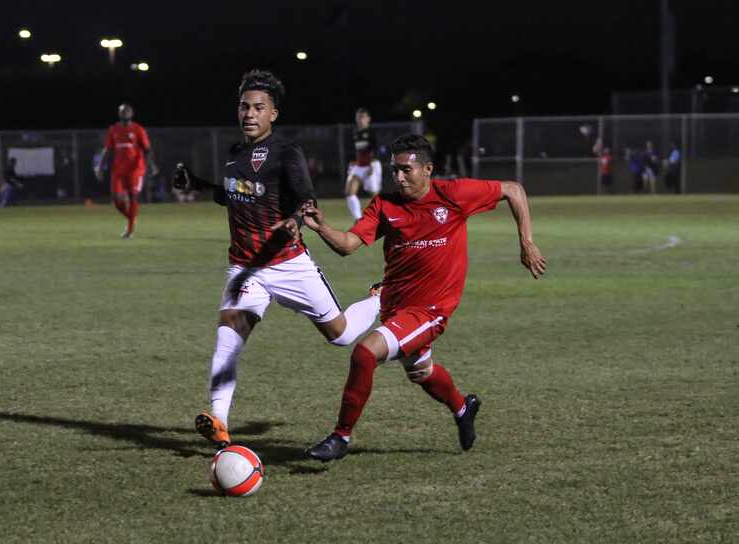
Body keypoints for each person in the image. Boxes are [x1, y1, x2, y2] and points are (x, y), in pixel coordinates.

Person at [302, 134, 546, 462]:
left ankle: (340, 437)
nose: (399, 177)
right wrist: (322, 228)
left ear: (427, 169)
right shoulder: (385, 205)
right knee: (422, 372)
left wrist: (526, 241)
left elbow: (513, 190)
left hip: (431, 311)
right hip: (395, 307)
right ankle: (463, 409)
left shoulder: (454, 194)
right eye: (394, 171)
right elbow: (347, 245)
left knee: (364, 353)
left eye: (406, 170)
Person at [172, 69, 382, 449]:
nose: (249, 114)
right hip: (246, 267)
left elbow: (307, 197)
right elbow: (234, 194)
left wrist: (297, 218)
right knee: (227, 339)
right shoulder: (235, 154)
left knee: (342, 335)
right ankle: (218, 420)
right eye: (243, 107)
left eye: (258, 107)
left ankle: (378, 299)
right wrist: (198, 184)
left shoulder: (287, 152)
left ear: (273, 114)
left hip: (288, 263)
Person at [94, 103, 159, 238]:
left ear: (131, 114)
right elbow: (107, 150)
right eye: (122, 112)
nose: (125, 114)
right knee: (116, 200)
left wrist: (152, 165)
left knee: (133, 196)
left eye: (127, 111)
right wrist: (100, 167)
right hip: (118, 170)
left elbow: (147, 150)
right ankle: (131, 218)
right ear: (119, 114)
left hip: (135, 168)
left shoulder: (138, 129)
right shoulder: (113, 130)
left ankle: (129, 230)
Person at [344, 108, 382, 220]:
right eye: (359, 117)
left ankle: (381, 218)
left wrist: (372, 163)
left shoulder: (371, 132)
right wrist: (353, 161)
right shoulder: (355, 132)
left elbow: (377, 149)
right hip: (359, 165)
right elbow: (358, 150)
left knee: (374, 194)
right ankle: (359, 219)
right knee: (349, 192)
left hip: (371, 164)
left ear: (368, 119)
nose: (361, 119)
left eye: (363, 117)